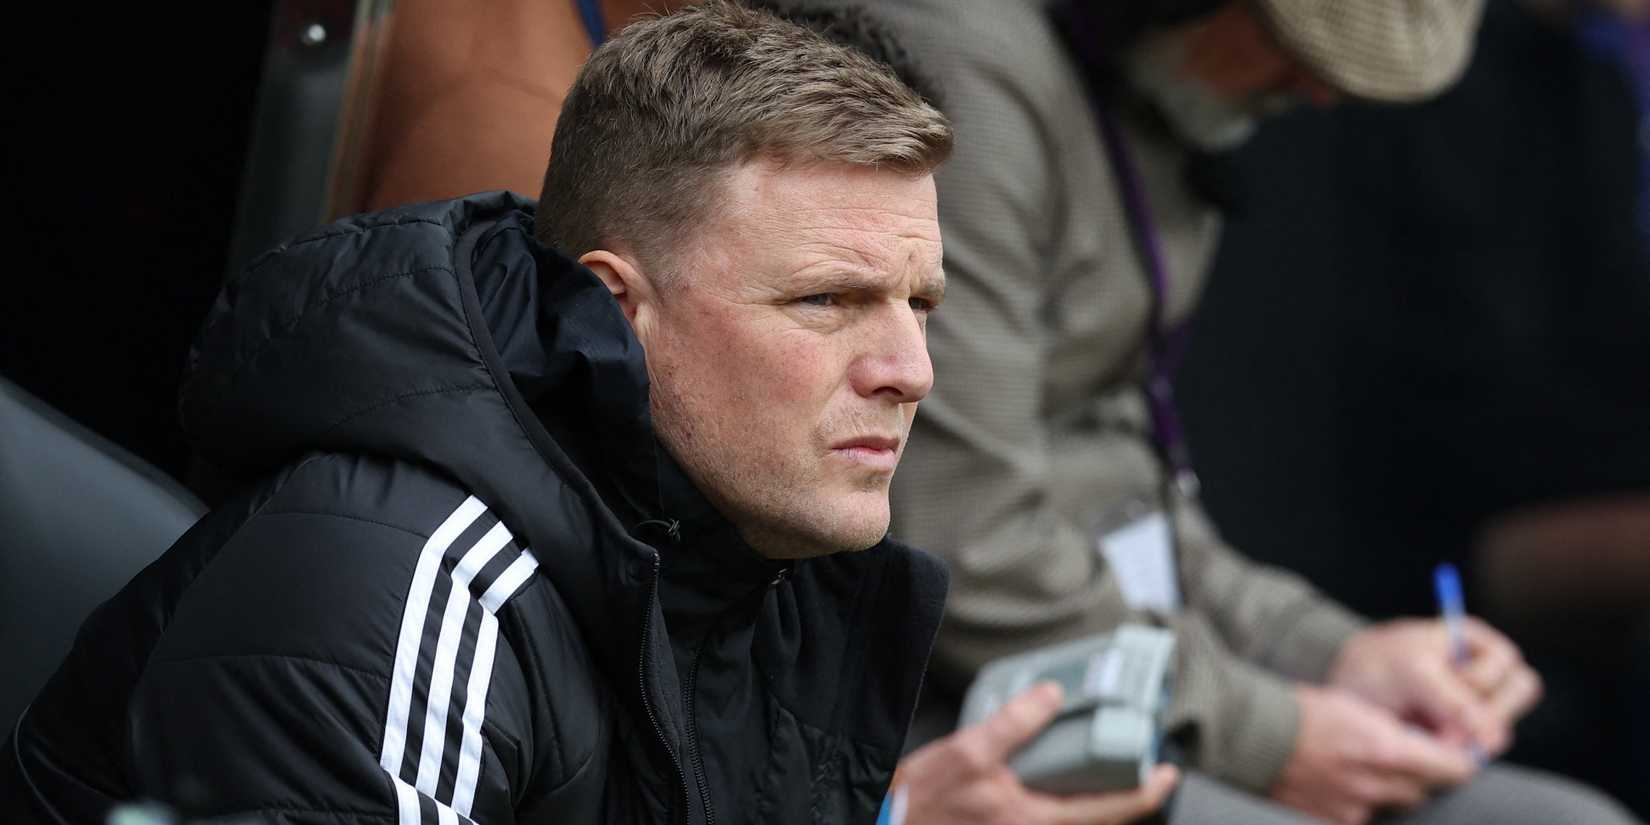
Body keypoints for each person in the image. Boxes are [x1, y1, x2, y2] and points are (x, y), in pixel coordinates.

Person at [2, 3, 966, 823]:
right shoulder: (398, 600)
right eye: (826, 301)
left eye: (918, 304)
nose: (908, 369)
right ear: (619, 312)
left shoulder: (767, 563)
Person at [835, 0, 1646, 824]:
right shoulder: (975, 68)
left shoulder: (1147, 87)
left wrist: (1336, 655)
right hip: (953, 711)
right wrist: (1270, 732)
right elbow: (971, 538)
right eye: (1294, 46)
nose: (1319, 94)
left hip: (1118, 672)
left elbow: (1128, 489)